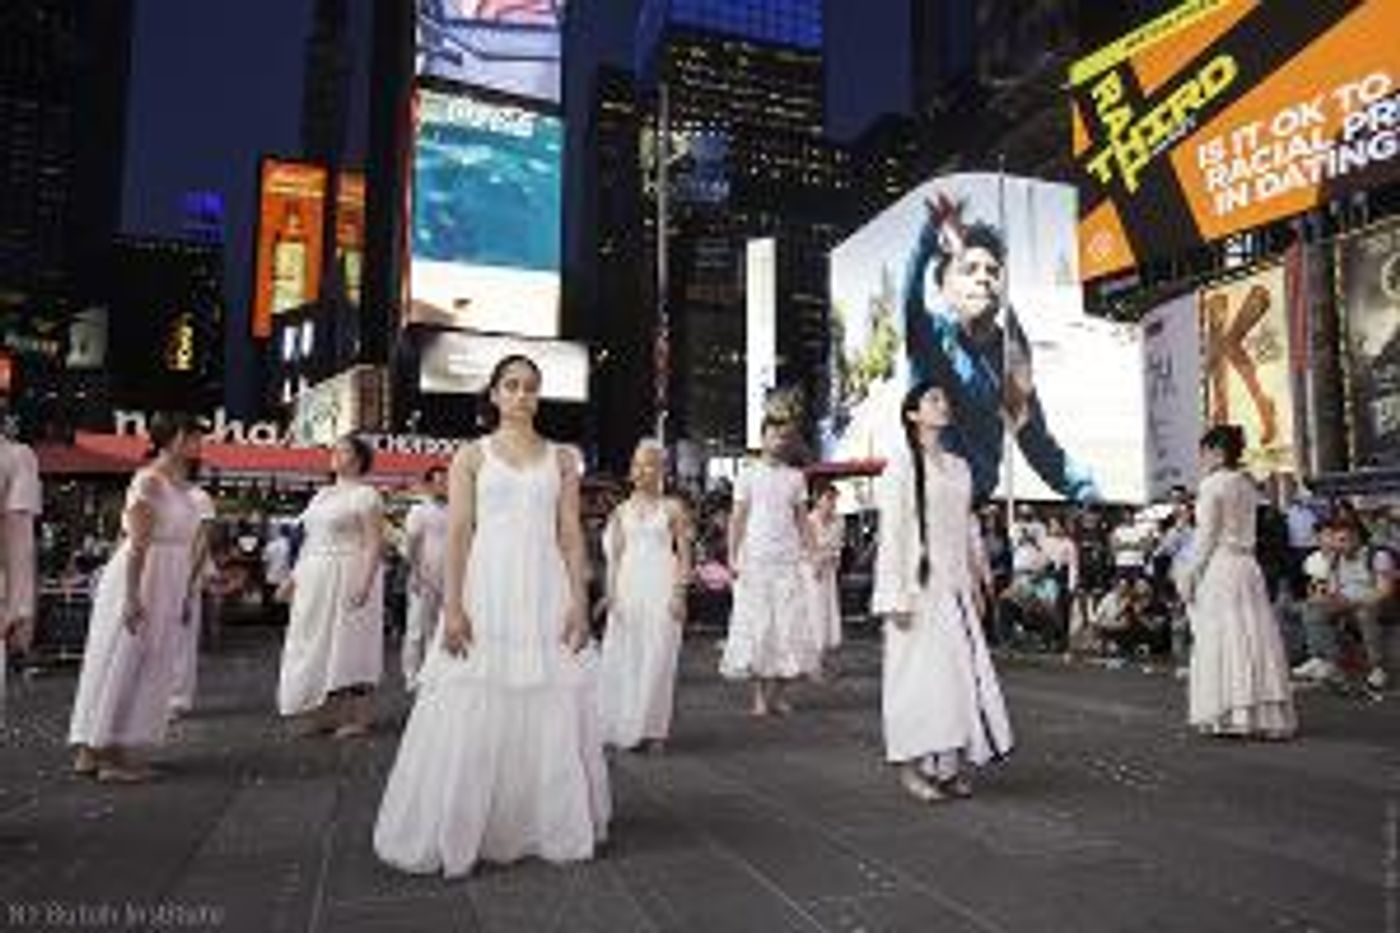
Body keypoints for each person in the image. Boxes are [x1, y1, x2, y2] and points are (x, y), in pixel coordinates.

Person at [374, 354, 609, 878]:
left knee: (548, 696)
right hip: (488, 583)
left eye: (531, 387)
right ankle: (467, 824)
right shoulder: (470, 457)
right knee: (475, 694)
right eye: (512, 385)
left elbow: (571, 533)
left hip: (546, 583)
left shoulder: (563, 458)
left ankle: (542, 820)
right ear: (495, 394)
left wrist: (579, 600)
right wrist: (453, 605)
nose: (522, 395)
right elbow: (458, 532)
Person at [903, 196, 1097, 503]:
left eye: (993, 271)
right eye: (969, 270)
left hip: (976, 507)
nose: (984, 278)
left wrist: (1082, 487)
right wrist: (928, 239)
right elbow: (911, 306)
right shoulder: (932, 339)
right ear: (944, 288)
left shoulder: (1012, 358)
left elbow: (1037, 444)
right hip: (929, 501)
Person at [874, 381, 1013, 803]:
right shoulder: (899, 466)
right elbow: (893, 535)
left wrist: (978, 577)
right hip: (916, 589)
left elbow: (967, 526)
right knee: (914, 679)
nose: (943, 404)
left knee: (955, 677)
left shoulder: (958, 467)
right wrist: (894, 597)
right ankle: (910, 768)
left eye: (943, 398)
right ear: (912, 414)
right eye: (933, 399)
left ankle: (947, 766)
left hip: (953, 587)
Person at [68, 413, 205, 782]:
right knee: (125, 657)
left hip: (167, 576)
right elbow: (136, 543)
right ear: (175, 439)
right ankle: (110, 753)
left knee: (137, 657)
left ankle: (94, 749)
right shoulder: (150, 480)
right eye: (194, 437)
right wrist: (131, 594)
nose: (199, 444)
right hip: (146, 575)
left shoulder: (180, 485)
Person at [1178, 425, 1295, 739]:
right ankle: (1261, 714)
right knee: (1254, 635)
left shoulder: (1212, 485)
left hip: (1221, 567)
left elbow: (1205, 538)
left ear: (1217, 451)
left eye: (1203, 451)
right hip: (1247, 566)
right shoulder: (1246, 484)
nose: (1200, 458)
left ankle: (1230, 713)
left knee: (1224, 635)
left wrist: (1188, 573)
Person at [276, 434, 385, 739]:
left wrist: (365, 583)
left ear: (359, 458)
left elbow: (375, 543)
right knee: (316, 642)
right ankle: (325, 712)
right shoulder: (321, 495)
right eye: (334, 450)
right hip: (316, 575)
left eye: (344, 450)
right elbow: (311, 540)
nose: (336, 454)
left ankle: (358, 717)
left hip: (350, 570)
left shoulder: (367, 495)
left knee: (350, 641)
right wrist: (293, 578)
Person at [720, 416, 819, 716]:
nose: (780, 441)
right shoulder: (748, 475)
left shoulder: (795, 477)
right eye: (774, 436)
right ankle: (759, 697)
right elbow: (737, 518)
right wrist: (732, 556)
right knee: (759, 627)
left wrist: (812, 553)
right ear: (762, 438)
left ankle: (780, 694)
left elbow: (802, 520)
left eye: (784, 437)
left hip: (788, 560)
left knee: (787, 627)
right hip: (756, 560)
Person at [597, 439, 691, 753]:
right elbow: (616, 557)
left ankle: (654, 729)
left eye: (649, 463)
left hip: (662, 585)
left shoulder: (673, 508)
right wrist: (610, 593)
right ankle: (625, 723)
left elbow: (685, 555)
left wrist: (680, 593)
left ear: (662, 469)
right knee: (626, 656)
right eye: (637, 464)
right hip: (628, 587)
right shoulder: (620, 511)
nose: (641, 470)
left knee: (659, 656)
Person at [1293, 516, 1398, 690]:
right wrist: (1328, 598)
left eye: (1344, 540)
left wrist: (1356, 602)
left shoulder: (1377, 556)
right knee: (1312, 608)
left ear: (1356, 537)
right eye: (1337, 541)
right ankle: (1326, 660)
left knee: (1365, 613)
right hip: (1347, 602)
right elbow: (1334, 588)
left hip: (1376, 604)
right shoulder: (1336, 559)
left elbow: (1385, 591)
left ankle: (1377, 668)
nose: (1340, 545)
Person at [0, 427, 41, 717]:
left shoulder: (16, 457)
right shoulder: (17, 456)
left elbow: (18, 536)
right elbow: (19, 537)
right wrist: (22, 608)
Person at [169, 485, 216, 718]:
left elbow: (202, 540)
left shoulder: (199, 497)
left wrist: (190, 578)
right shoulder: (156, 491)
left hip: (184, 571)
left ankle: (177, 698)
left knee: (181, 637)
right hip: (157, 571)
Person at [401, 465, 449, 692]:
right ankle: (411, 675)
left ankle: (433, 672)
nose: (443, 485)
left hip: (448, 578)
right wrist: (414, 573)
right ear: (429, 485)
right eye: (438, 481)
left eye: (446, 481)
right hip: (423, 575)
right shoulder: (418, 511)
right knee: (416, 629)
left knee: (438, 629)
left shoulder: (455, 509)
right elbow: (412, 544)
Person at [805, 482, 845, 671]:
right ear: (817, 500)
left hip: (828, 570)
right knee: (815, 612)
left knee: (828, 611)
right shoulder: (809, 520)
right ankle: (813, 662)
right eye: (828, 499)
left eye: (834, 499)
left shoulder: (839, 521)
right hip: (810, 570)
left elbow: (838, 546)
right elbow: (803, 548)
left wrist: (833, 558)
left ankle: (823, 658)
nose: (832, 503)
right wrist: (815, 562)